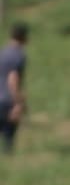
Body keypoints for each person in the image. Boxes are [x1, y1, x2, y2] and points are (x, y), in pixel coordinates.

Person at [0, 23, 29, 153]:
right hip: (7, 100)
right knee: (8, 137)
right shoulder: (18, 55)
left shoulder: (3, 52)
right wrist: (18, 102)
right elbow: (13, 79)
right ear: (24, 38)